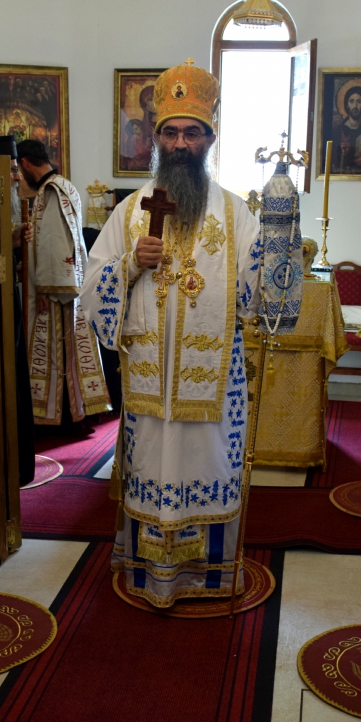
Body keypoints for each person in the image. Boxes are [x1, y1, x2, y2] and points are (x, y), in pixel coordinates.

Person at [81, 60, 265, 608]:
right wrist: (128, 266)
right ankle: (149, 572)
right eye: (171, 132)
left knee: (210, 467)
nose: (181, 143)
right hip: (149, 390)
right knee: (151, 468)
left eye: (192, 132)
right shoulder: (130, 212)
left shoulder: (237, 214)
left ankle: (209, 575)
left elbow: (258, 295)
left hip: (214, 391)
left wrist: (279, 244)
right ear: (155, 137)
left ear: (210, 138)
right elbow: (90, 288)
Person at [16, 139, 111, 426]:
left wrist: (46, 287)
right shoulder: (63, 185)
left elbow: (54, 243)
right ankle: (75, 410)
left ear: (25, 164)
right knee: (69, 350)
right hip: (66, 280)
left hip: (55, 288)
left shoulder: (51, 191)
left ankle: (62, 415)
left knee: (57, 351)